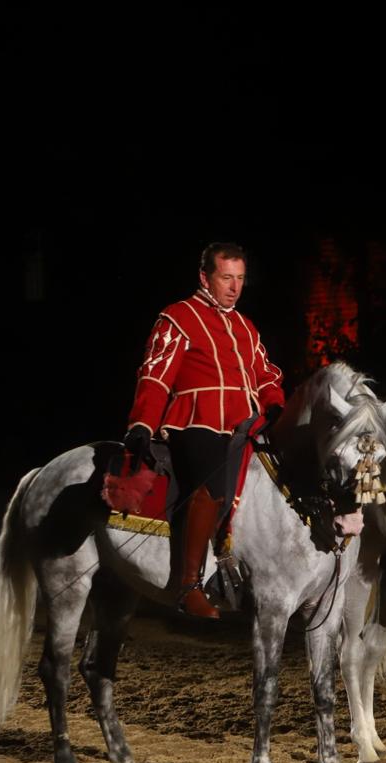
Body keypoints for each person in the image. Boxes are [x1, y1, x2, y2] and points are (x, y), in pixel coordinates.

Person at [124, 242, 284, 618]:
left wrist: (276, 402)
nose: (234, 287)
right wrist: (142, 423)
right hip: (196, 420)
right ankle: (189, 586)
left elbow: (266, 375)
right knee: (211, 485)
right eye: (226, 278)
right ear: (204, 277)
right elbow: (155, 374)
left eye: (240, 279)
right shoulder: (178, 316)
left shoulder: (246, 326)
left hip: (246, 422)